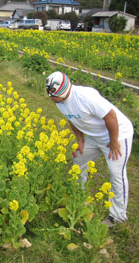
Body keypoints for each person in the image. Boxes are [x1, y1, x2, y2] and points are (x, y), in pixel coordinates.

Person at [46, 71, 134, 227]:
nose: (51, 98)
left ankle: (118, 216)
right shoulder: (60, 102)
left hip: (117, 134)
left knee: (116, 174)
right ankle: (79, 196)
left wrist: (113, 141)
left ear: (63, 90)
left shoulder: (85, 96)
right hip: (95, 137)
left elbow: (111, 116)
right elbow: (72, 119)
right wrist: (80, 140)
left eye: (53, 95)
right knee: (79, 160)